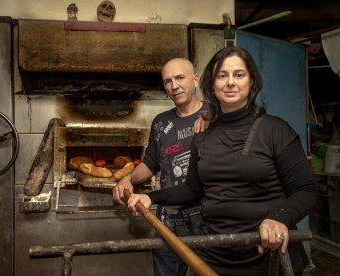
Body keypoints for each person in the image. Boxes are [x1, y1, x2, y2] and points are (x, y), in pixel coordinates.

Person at [125, 47, 318, 276]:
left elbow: (306, 190)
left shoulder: (275, 130)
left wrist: (279, 219)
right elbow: (192, 189)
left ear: (252, 81)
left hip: (267, 254)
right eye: (222, 75)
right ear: (212, 85)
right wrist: (150, 197)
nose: (230, 82)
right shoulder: (203, 133)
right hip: (215, 255)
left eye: (239, 74)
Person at [112, 57, 208, 276]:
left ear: (196, 80)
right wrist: (128, 178)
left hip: (206, 218)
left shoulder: (213, 117)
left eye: (180, 78)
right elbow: (150, 164)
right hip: (168, 221)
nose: (174, 86)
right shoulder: (161, 122)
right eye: (167, 81)